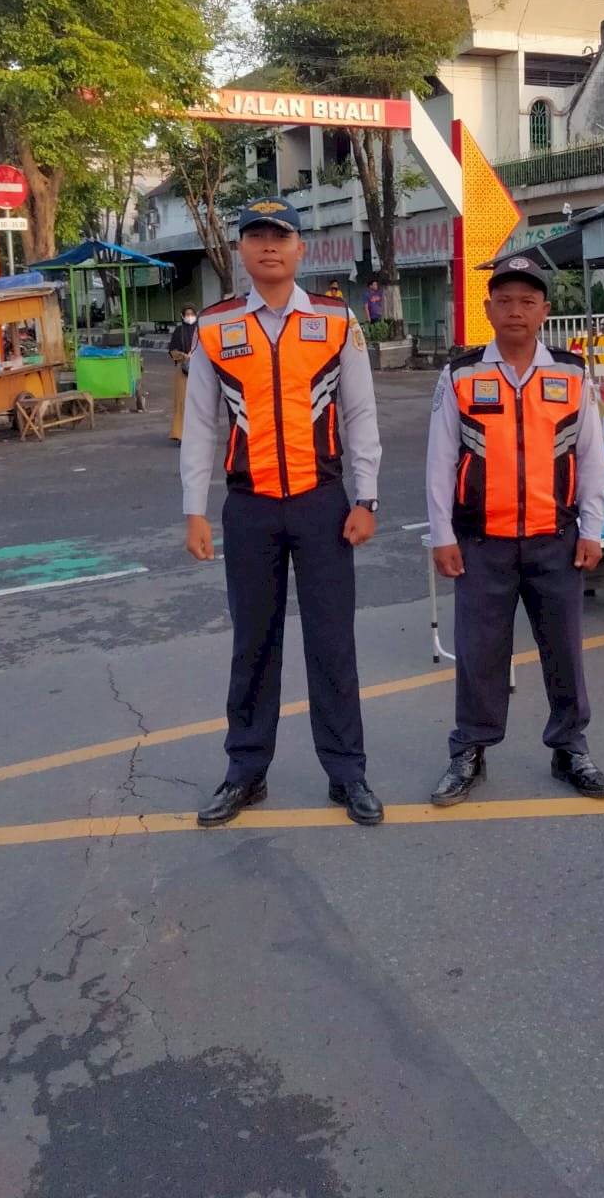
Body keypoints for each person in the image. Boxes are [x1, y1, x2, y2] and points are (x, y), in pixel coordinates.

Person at [181, 196, 385, 827]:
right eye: (257, 237)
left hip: (324, 505)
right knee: (254, 644)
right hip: (249, 508)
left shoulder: (333, 320)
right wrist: (195, 510)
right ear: (241, 250)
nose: (269, 246)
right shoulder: (215, 326)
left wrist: (366, 496)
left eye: (281, 236)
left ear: (301, 249)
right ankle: (246, 771)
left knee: (332, 644)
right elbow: (199, 426)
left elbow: (359, 413)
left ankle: (347, 771)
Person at [424, 256, 604, 807]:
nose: (515, 311)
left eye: (528, 301)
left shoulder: (571, 373)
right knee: (479, 652)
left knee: (564, 650)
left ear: (545, 311)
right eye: (504, 301)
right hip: (481, 542)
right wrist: (442, 535)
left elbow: (592, 456)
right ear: (487, 309)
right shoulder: (462, 374)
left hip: (556, 537)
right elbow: (440, 461)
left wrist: (592, 528)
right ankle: (470, 751)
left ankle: (570, 747)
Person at [168, 305, 198, 444]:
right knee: (182, 402)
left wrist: (196, 355)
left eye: (192, 314)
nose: (190, 317)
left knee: (199, 403)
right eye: (187, 314)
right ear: (182, 316)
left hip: (200, 370)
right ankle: (180, 434)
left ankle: (198, 434)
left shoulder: (201, 330)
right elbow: (172, 351)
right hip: (183, 371)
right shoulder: (178, 332)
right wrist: (185, 356)